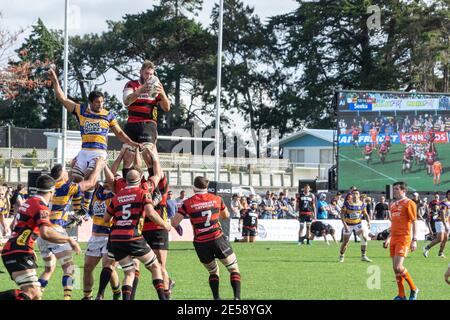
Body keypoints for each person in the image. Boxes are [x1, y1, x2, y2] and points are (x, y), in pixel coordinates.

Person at [48, 69, 141, 182]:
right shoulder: (80, 110)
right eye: (97, 102)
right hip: (84, 151)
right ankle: (76, 198)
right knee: (76, 179)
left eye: (102, 102)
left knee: (89, 176)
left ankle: (89, 198)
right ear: (90, 103)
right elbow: (62, 98)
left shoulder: (108, 115)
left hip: (99, 152)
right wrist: (55, 81)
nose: (100, 105)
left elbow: (120, 133)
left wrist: (132, 143)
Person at [0, 175, 81, 300]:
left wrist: (28, 246)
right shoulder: (41, 206)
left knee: (35, 294)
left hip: (15, 250)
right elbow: (46, 233)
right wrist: (69, 239)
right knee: (33, 293)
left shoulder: (28, 202)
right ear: (52, 191)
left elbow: (14, 226)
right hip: (18, 251)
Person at [36, 159, 104, 300]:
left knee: (49, 269)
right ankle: (67, 298)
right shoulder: (65, 187)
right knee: (69, 268)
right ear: (62, 176)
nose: (68, 173)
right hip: (55, 231)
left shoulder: (50, 188)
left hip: (42, 234)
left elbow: (73, 177)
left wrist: (76, 166)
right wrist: (98, 166)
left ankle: (36, 295)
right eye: (66, 171)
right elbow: (91, 183)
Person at [104, 166, 171, 300]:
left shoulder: (117, 197)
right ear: (140, 179)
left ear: (126, 181)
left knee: (129, 272)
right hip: (132, 236)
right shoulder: (142, 193)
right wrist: (165, 224)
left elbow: (106, 219)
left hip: (116, 238)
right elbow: (151, 213)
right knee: (155, 266)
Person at [171, 176, 241, 300]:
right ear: (207, 187)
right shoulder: (217, 199)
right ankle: (236, 298)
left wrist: (178, 227)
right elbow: (226, 216)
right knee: (233, 268)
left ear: (193, 188)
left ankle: (216, 298)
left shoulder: (187, 203)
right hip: (217, 239)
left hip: (201, 243)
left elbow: (174, 222)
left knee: (213, 271)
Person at [121, 60, 171, 178]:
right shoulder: (131, 85)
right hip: (132, 123)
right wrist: (139, 91)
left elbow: (167, 108)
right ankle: (126, 186)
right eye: (146, 74)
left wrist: (162, 94)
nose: (149, 77)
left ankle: (154, 187)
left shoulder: (157, 86)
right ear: (141, 72)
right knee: (128, 155)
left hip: (148, 124)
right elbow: (126, 101)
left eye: (151, 74)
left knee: (147, 154)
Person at [82, 175, 121, 301]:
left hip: (110, 236)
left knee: (107, 266)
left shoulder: (117, 195)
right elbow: (87, 179)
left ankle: (115, 292)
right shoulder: (97, 190)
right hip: (95, 236)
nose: (107, 180)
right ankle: (87, 297)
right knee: (87, 267)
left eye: (111, 179)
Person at [389, 181, 419, 300]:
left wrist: (414, 239)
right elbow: (393, 224)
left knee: (398, 267)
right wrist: (388, 238)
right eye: (394, 189)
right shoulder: (393, 205)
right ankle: (401, 295)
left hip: (404, 238)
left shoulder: (409, 203)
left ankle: (414, 288)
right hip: (394, 238)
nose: (394, 191)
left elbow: (414, 221)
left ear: (404, 190)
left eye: (397, 189)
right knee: (395, 269)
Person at [339, 189, 372, 263]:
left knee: (364, 238)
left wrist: (369, 222)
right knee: (345, 242)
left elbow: (365, 214)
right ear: (351, 195)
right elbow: (341, 214)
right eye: (353, 194)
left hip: (358, 224)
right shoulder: (347, 203)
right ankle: (341, 255)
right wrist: (345, 225)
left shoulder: (362, 204)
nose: (355, 195)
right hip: (348, 225)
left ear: (359, 195)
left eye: (356, 193)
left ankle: (363, 256)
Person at [423, 190, 450, 258]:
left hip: (446, 221)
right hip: (440, 221)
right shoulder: (445, 202)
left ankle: (440, 253)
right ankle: (426, 248)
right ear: (447, 195)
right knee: (440, 238)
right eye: (449, 194)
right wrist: (445, 225)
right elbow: (443, 213)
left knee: (445, 238)